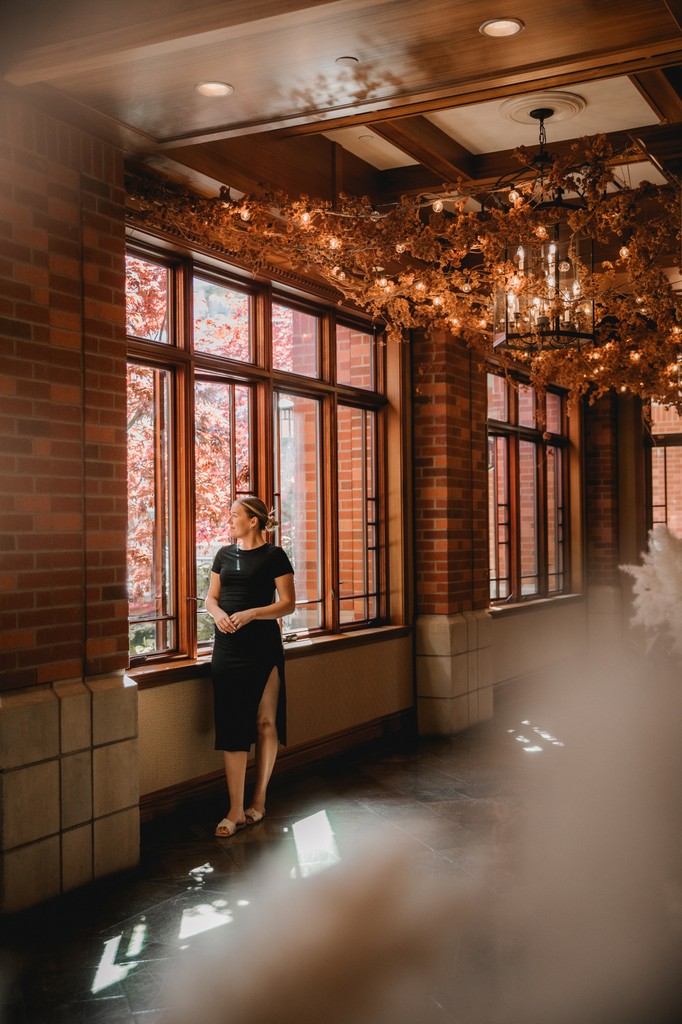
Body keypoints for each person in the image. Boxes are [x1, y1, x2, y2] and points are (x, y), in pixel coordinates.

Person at [205, 496, 295, 837]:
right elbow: (211, 598)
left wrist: (253, 612)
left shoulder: (274, 556)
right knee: (232, 725)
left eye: (234, 515)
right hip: (227, 648)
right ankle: (234, 809)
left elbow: (287, 604)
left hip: (263, 646)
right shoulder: (223, 555)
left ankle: (258, 801)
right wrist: (218, 615)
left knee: (265, 721)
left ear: (253, 521)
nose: (229, 520)